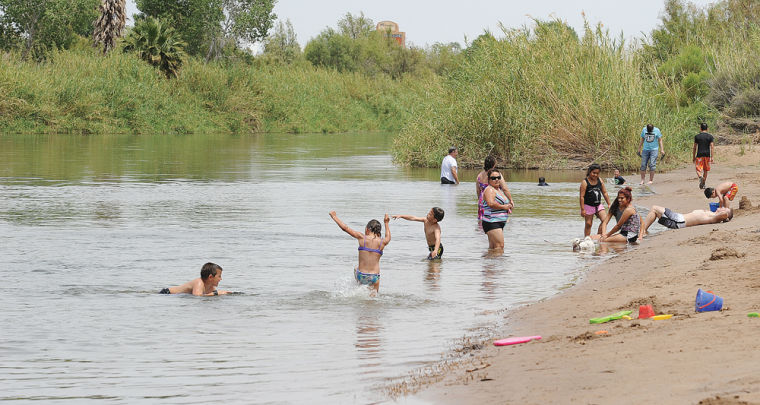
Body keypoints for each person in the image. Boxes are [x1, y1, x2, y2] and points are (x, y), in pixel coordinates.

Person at [329, 211, 391, 295]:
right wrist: (386, 223)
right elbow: (388, 237)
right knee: (373, 299)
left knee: (355, 268)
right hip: (374, 277)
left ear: (367, 229)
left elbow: (345, 228)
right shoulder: (382, 242)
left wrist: (334, 216)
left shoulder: (362, 238)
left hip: (361, 275)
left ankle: (358, 289)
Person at [638, 205, 733, 239]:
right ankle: (643, 231)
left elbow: (724, 215)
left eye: (724, 209)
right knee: (654, 211)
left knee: (654, 208)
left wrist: (727, 214)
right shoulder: (713, 214)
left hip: (679, 221)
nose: (722, 208)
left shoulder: (715, 217)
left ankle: (642, 232)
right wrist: (724, 210)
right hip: (678, 219)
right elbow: (724, 214)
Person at [481, 169, 513, 250]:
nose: (496, 180)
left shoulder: (498, 190)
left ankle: (490, 262)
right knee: (499, 247)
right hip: (492, 221)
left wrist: (509, 206)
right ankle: (497, 262)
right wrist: (504, 207)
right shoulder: (489, 189)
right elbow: (490, 203)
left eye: (498, 177)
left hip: (497, 222)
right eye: (493, 178)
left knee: (494, 248)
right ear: (488, 179)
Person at [475, 156, 515, 220]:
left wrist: (480, 200)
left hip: (482, 200)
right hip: (494, 198)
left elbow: (478, 190)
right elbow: (504, 188)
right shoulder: (496, 175)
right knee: (497, 218)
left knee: (483, 219)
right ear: (493, 164)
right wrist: (511, 200)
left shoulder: (479, 175)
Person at [579, 163, 611, 237]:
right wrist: (582, 209)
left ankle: (598, 236)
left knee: (605, 220)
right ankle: (586, 239)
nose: (595, 175)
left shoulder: (600, 180)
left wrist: (609, 204)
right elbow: (582, 197)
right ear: (589, 172)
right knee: (588, 224)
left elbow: (605, 193)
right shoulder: (585, 182)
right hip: (588, 206)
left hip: (598, 205)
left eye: (597, 173)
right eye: (594, 173)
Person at [159, 262, 229, 296]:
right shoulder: (199, 282)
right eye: (219, 276)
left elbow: (211, 294)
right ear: (210, 277)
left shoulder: (210, 287)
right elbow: (197, 297)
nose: (221, 279)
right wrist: (215, 293)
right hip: (167, 293)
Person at [693, 123, 715, 189]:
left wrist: (693, 156)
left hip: (699, 155)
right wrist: (712, 157)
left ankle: (700, 177)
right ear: (707, 129)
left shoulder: (697, 136)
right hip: (707, 155)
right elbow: (712, 147)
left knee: (698, 169)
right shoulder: (710, 136)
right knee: (705, 170)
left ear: (700, 128)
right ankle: (703, 184)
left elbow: (694, 147)